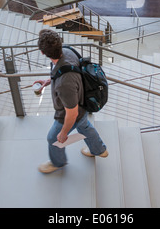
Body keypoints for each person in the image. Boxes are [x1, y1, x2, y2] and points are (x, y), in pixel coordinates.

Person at [35, 29, 108, 174]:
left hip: (73, 111)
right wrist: (48, 81)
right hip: (82, 101)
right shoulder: (67, 52)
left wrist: (63, 132)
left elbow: (72, 114)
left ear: (43, 53)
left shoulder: (64, 84)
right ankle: (99, 149)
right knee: (85, 127)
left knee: (52, 138)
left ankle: (58, 162)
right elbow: (66, 70)